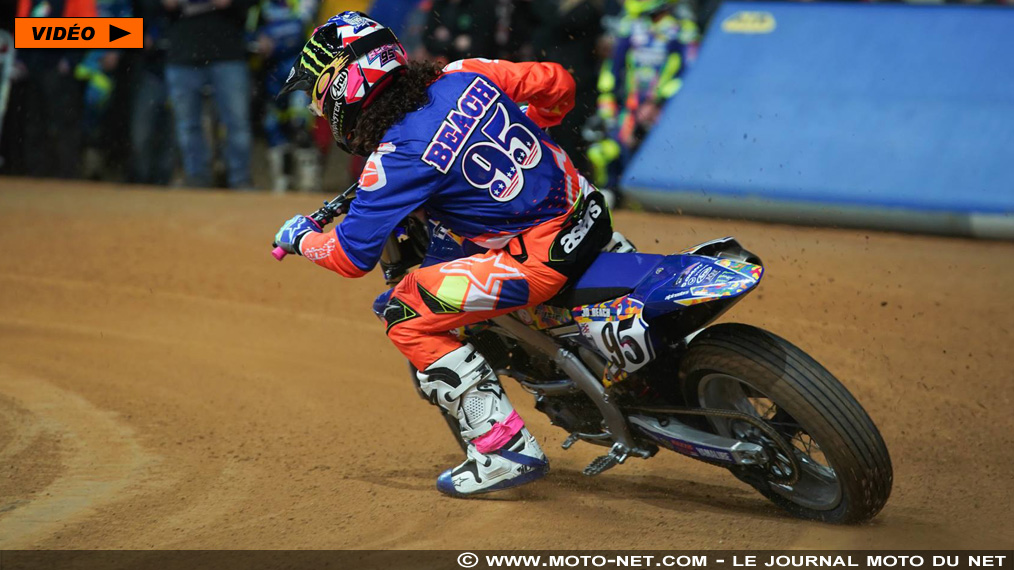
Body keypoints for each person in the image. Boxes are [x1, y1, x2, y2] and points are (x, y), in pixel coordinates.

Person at [272, 11, 615, 496]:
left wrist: (300, 238)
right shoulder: (466, 72)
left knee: (403, 310)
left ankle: (503, 450)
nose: (317, 108)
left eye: (317, 95)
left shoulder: (394, 159)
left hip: (539, 261)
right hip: (588, 210)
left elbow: (350, 257)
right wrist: (532, 126)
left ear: (343, 85)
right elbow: (557, 83)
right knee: (453, 239)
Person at [587, 0, 698, 203]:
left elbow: (688, 72)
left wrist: (659, 101)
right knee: (606, 147)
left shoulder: (682, 30)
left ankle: (653, 198)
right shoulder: (631, 25)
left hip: (665, 107)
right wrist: (607, 96)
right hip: (629, 104)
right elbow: (614, 65)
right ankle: (610, 191)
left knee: (656, 152)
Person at [162, 0, 256, 188]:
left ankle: (240, 179)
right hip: (182, 53)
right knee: (187, 125)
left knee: (237, 123)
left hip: (228, 52)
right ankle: (196, 178)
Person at [252, 0, 321, 192]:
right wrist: (257, 43)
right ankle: (282, 181)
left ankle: (309, 182)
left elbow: (306, 32)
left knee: (300, 124)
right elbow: (249, 36)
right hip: (272, 77)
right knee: (272, 126)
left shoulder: (303, 4)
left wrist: (278, 41)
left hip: (299, 73)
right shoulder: (261, 8)